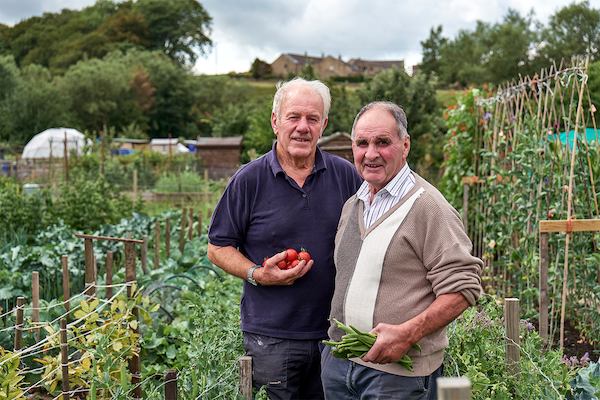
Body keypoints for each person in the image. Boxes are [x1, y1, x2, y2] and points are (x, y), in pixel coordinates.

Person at [207, 77, 362, 400]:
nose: (302, 127)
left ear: (324, 125)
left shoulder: (346, 175)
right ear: (275, 121)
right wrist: (257, 274)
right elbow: (218, 246)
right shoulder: (249, 180)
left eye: (312, 119)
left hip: (336, 334)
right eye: (294, 117)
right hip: (271, 338)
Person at [322, 101, 483, 400]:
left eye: (383, 142)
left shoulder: (427, 206)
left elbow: (464, 288)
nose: (370, 154)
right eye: (362, 143)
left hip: (397, 377)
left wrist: (408, 333)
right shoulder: (352, 205)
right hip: (339, 366)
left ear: (405, 145)